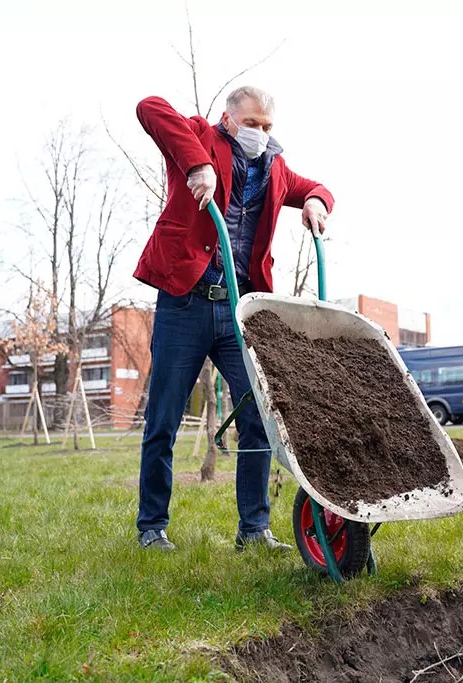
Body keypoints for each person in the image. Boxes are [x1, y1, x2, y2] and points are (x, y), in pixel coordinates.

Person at [133, 86, 335, 552]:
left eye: (267, 126)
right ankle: (152, 527)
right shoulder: (201, 138)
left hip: (238, 310)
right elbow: (149, 108)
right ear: (228, 120)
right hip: (185, 303)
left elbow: (317, 188)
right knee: (163, 419)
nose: (260, 133)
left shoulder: (276, 168)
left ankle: (254, 530)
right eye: (251, 124)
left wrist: (316, 202)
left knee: (258, 415)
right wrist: (196, 165)